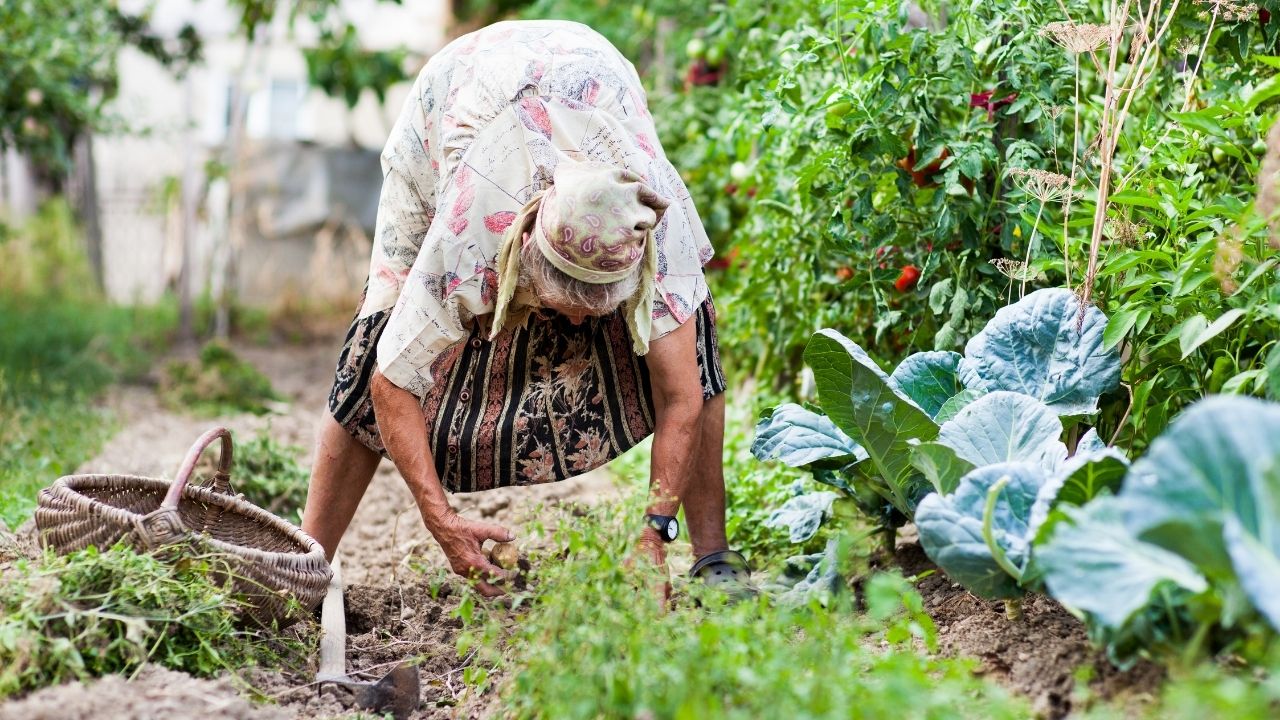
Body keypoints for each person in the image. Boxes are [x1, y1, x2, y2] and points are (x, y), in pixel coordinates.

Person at [301, 19, 749, 597]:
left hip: (592, 75)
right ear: (523, 255)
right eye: (569, 307)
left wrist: (653, 535)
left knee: (695, 351)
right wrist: (441, 520)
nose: (582, 324)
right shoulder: (468, 230)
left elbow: (682, 396)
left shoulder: (659, 229)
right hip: (455, 97)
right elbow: (391, 381)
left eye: (597, 311)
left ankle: (712, 556)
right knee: (376, 339)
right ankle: (308, 563)